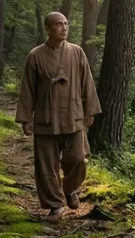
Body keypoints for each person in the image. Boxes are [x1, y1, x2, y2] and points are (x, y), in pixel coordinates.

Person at [15, 12, 101, 222]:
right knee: (46, 165)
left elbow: (87, 83)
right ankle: (55, 205)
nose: (64, 28)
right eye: (59, 24)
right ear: (48, 28)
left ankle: (70, 189)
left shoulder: (77, 52)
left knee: (78, 159)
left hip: (74, 116)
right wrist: (26, 118)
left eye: (66, 24)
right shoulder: (35, 55)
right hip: (46, 117)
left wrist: (89, 110)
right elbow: (27, 89)